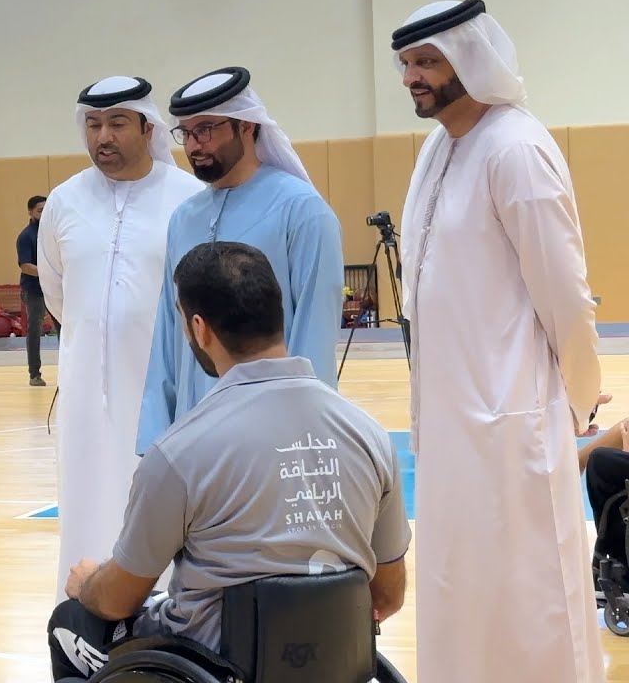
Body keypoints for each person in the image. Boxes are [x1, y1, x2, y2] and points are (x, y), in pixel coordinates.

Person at [46, 242, 410, 681]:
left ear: (199, 328)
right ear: (278, 316)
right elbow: (387, 595)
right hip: (333, 664)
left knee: (70, 621)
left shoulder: (179, 453)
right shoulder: (368, 434)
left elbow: (119, 598)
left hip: (214, 668)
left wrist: (87, 583)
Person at [391, 0, 605, 683]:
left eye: (427, 61)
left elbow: (565, 294)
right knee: (460, 589)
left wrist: (575, 401)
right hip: (450, 423)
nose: (411, 78)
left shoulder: (516, 147)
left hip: (513, 423)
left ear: (471, 59)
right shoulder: (437, 148)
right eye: (405, 64)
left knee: (531, 596)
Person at [37, 75, 205, 603]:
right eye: (93, 124)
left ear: (146, 127)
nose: (103, 137)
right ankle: (86, 615)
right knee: (86, 501)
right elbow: (57, 293)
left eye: (115, 124)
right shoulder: (64, 200)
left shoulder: (189, 197)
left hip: (167, 391)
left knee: (162, 502)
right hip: (87, 390)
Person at [136, 67, 344, 455]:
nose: (195, 145)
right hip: (193, 431)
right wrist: (155, 435)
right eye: (187, 133)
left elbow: (314, 331)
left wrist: (299, 436)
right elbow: (169, 331)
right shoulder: (184, 218)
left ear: (246, 126)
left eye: (207, 130)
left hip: (272, 438)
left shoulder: (301, 211)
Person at [17, 194, 54, 386]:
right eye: (40, 210)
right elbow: (25, 266)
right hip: (34, 290)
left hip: (54, 290)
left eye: (46, 209)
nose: (44, 213)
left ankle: (70, 372)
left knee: (66, 330)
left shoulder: (52, 232)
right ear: (30, 212)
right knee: (34, 331)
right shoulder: (26, 236)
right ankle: (34, 374)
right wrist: (49, 273)